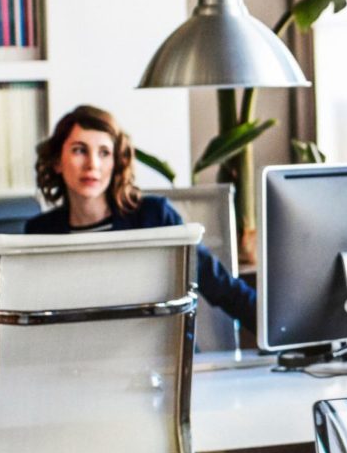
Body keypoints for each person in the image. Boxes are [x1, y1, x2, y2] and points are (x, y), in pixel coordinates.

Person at [24, 104, 255, 331]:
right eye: (79, 150)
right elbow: (30, 317)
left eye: (104, 153)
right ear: (57, 162)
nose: (92, 164)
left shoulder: (154, 216)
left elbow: (223, 287)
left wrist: (281, 334)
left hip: (160, 360)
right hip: (73, 361)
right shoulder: (40, 232)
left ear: (116, 162)